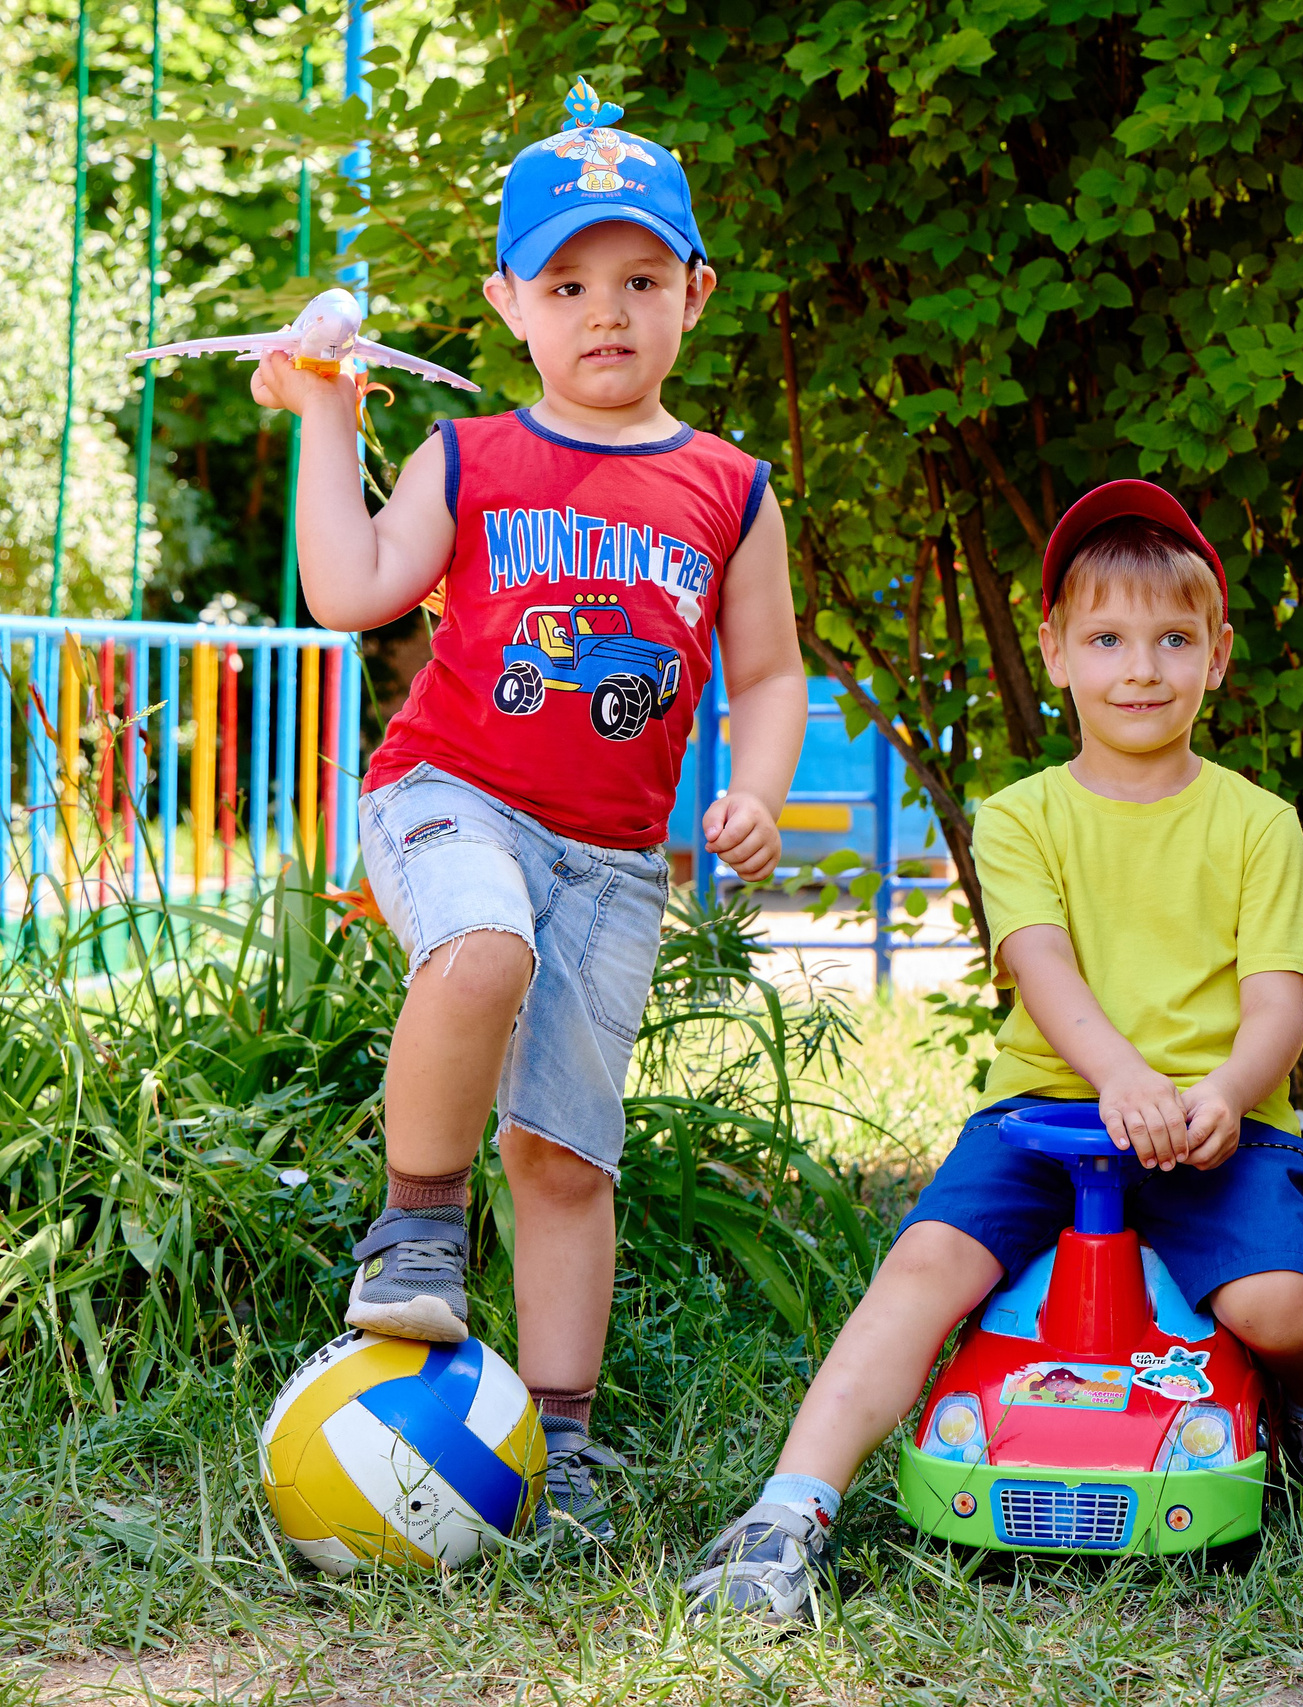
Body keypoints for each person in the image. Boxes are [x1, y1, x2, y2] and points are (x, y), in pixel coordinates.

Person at [684, 481, 1303, 1626]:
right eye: (1108, 639)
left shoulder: (1256, 821)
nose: (1141, 668)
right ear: (1056, 652)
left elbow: (1279, 1004)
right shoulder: (1018, 815)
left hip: (1222, 1132)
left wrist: (1218, 1091)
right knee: (923, 1266)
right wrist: (1118, 1078)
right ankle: (789, 1510)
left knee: (1280, 1305)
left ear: (1217, 657)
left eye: (1174, 640)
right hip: (1044, 1120)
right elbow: (1044, 969)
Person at [255, 83, 807, 1540]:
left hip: (619, 860)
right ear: (510, 301)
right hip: (450, 795)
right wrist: (324, 415)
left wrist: (753, 789)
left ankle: (558, 1442)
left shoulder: (731, 489)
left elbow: (768, 671)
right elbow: (351, 586)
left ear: (694, 291)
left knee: (566, 1150)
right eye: (567, 282)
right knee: (481, 948)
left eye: (638, 280)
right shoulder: (475, 458)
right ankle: (414, 1228)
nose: (604, 312)